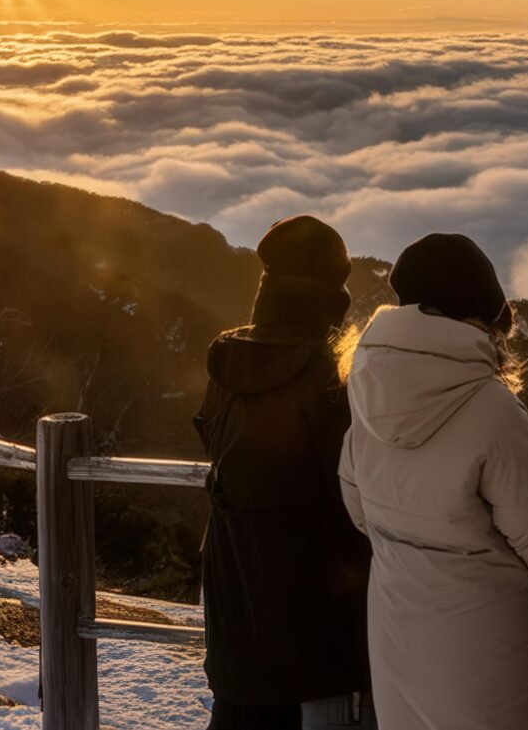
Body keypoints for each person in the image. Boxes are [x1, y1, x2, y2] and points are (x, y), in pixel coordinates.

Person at [339, 233, 528, 730]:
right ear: (483, 319)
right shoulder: (492, 410)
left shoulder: (365, 395)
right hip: (489, 661)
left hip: (398, 642)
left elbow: (359, 508)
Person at [196, 215, 375, 730]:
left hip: (235, 606)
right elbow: (356, 487)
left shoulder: (228, 361)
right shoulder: (331, 373)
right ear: (330, 286)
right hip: (316, 624)